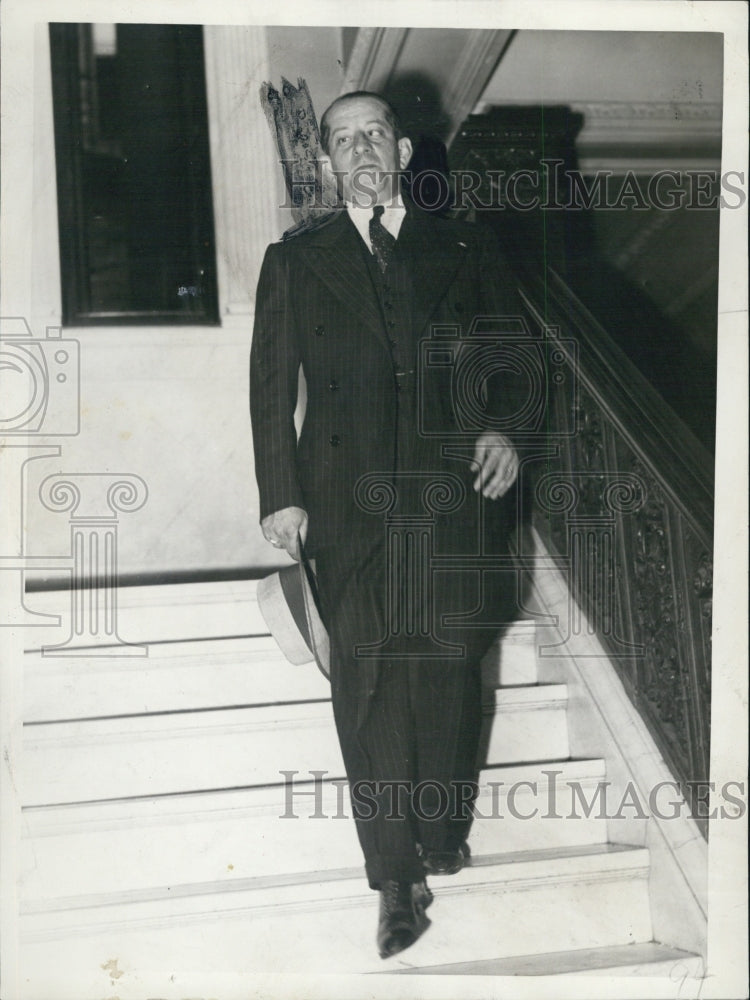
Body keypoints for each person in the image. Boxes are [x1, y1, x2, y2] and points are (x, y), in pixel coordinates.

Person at [250, 91, 529, 959]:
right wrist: (280, 493)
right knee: (366, 682)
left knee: (447, 664)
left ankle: (441, 829)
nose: (361, 147)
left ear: (402, 149)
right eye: (343, 138)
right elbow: (268, 391)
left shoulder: (464, 242)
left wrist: (505, 429)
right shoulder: (295, 260)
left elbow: (511, 353)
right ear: (329, 162)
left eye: (374, 132)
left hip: (451, 493)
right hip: (345, 499)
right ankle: (395, 879)